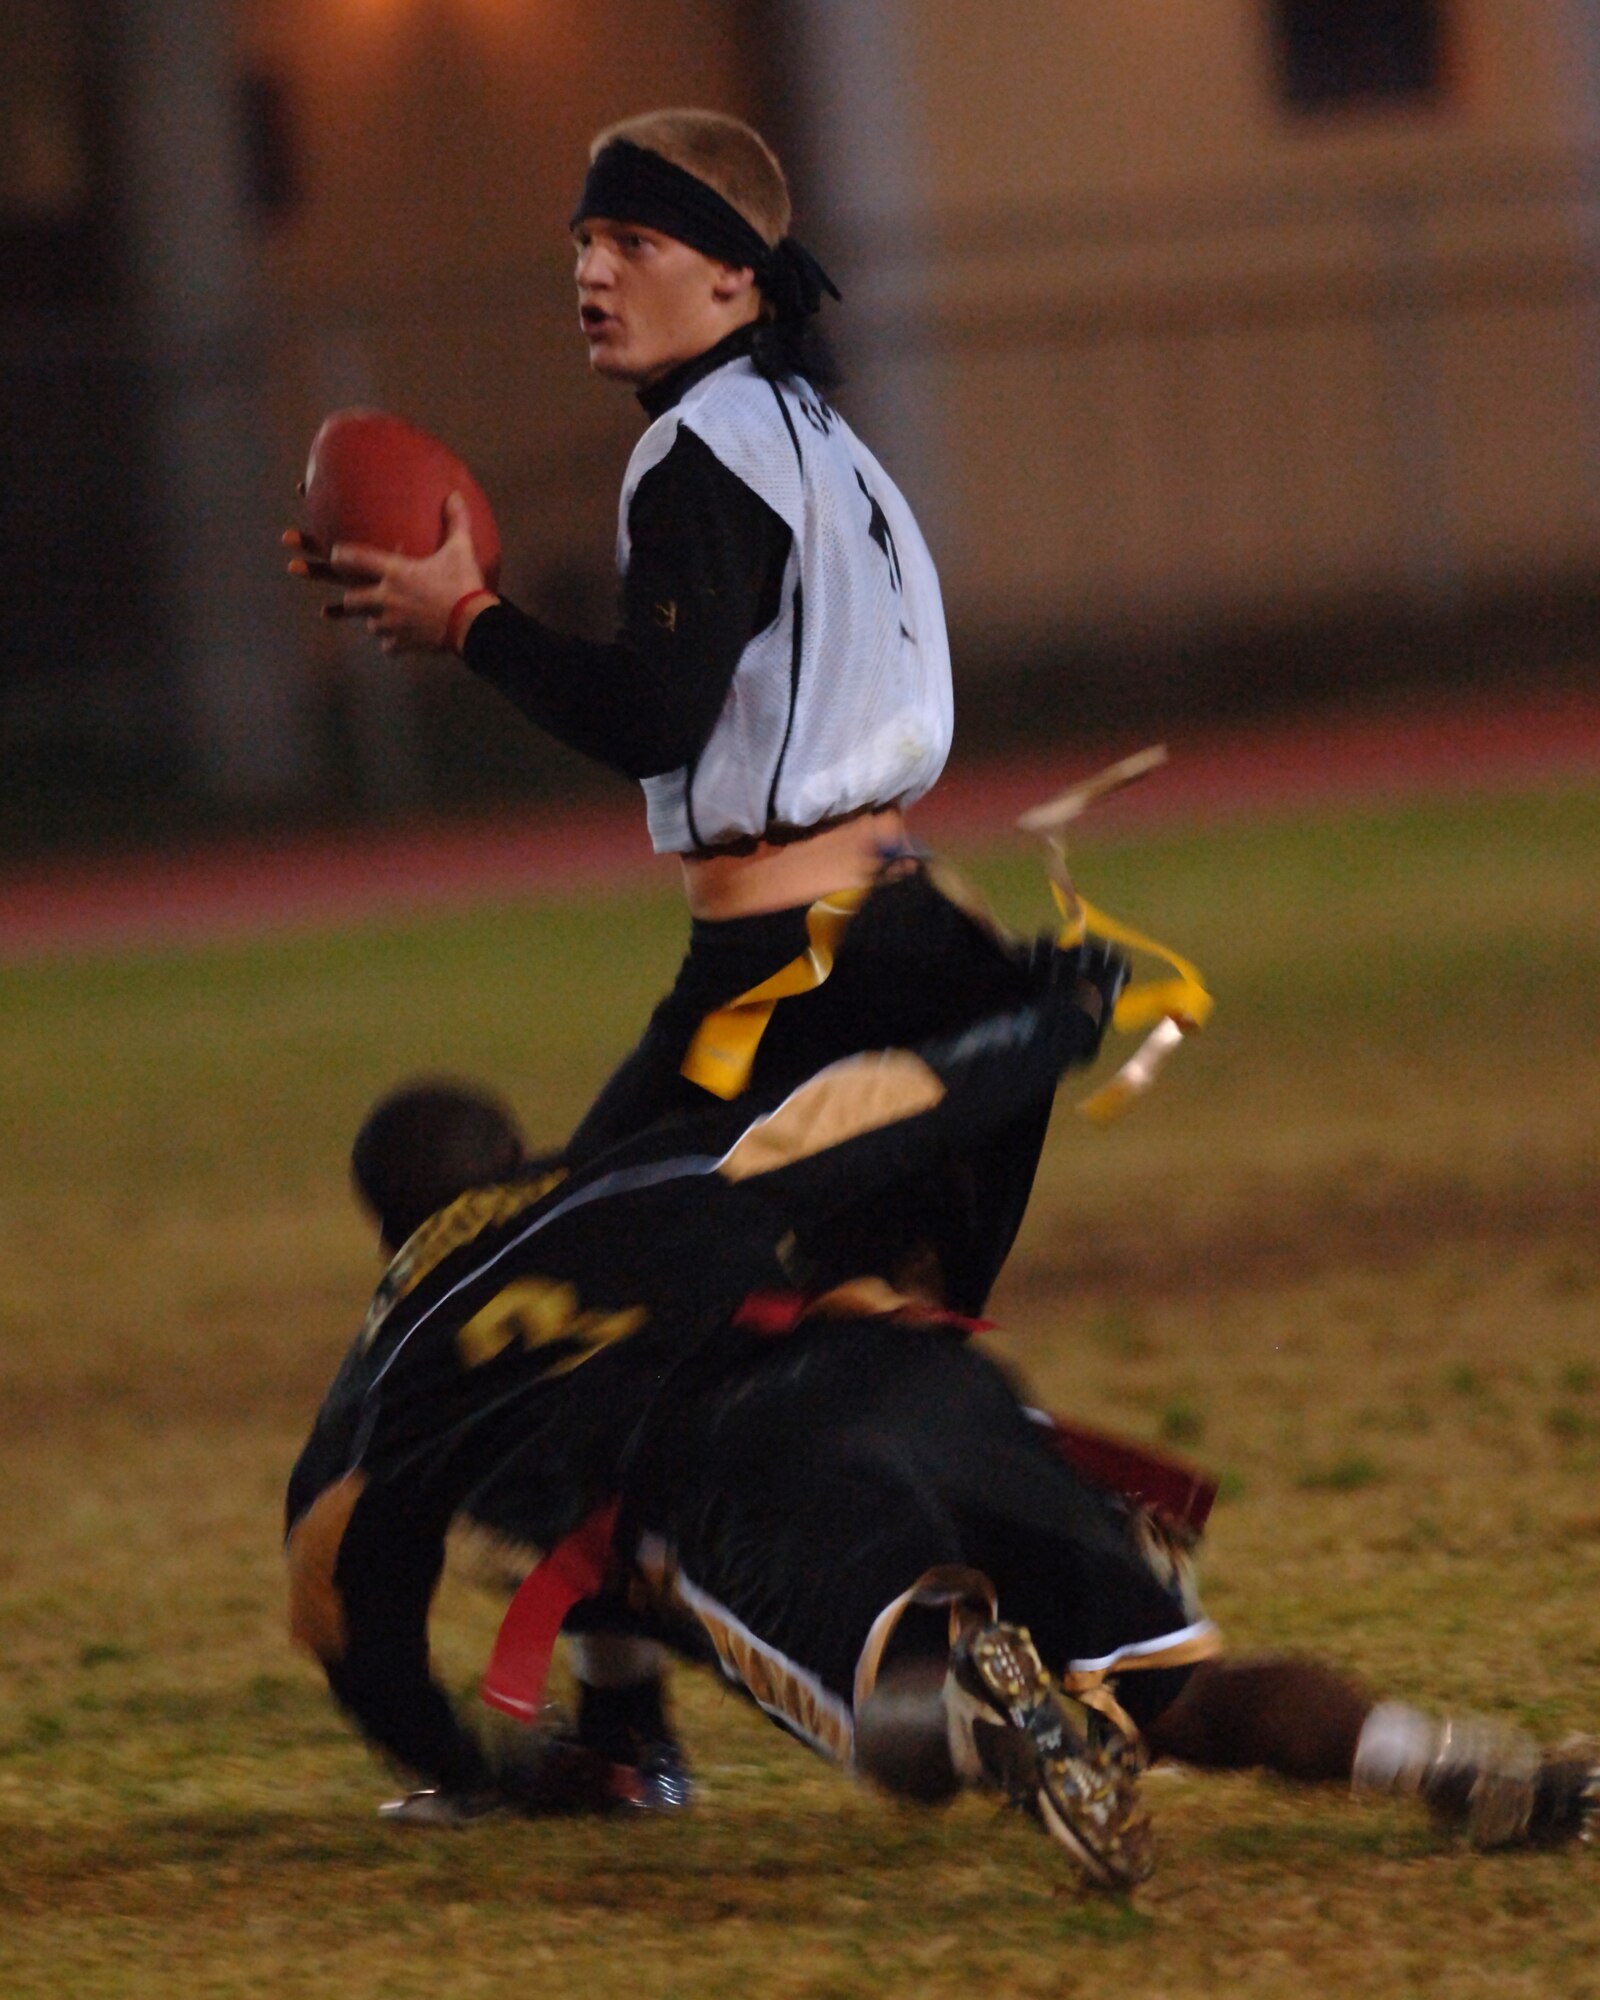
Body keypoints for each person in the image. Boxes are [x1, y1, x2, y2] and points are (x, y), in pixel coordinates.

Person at [284, 932, 1129, 1824]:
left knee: (873, 1701)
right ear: (516, 1153)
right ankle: (1111, 1659)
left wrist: (472, 1767)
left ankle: (659, 1746)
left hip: (692, 1515)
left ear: (387, 1235)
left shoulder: (386, 1368)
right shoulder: (638, 1178)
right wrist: (1054, 1022)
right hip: (830, 1402)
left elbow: (341, 1608)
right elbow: (886, 1110)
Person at [286, 107, 987, 1163]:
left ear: (731, 273)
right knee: (801, 1278)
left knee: (569, 1266)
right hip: (898, 927)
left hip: (793, 964)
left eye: (632, 243)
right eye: (583, 242)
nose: (592, 274)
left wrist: (470, 621)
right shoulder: (810, 429)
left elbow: (651, 715)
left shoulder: (702, 446)